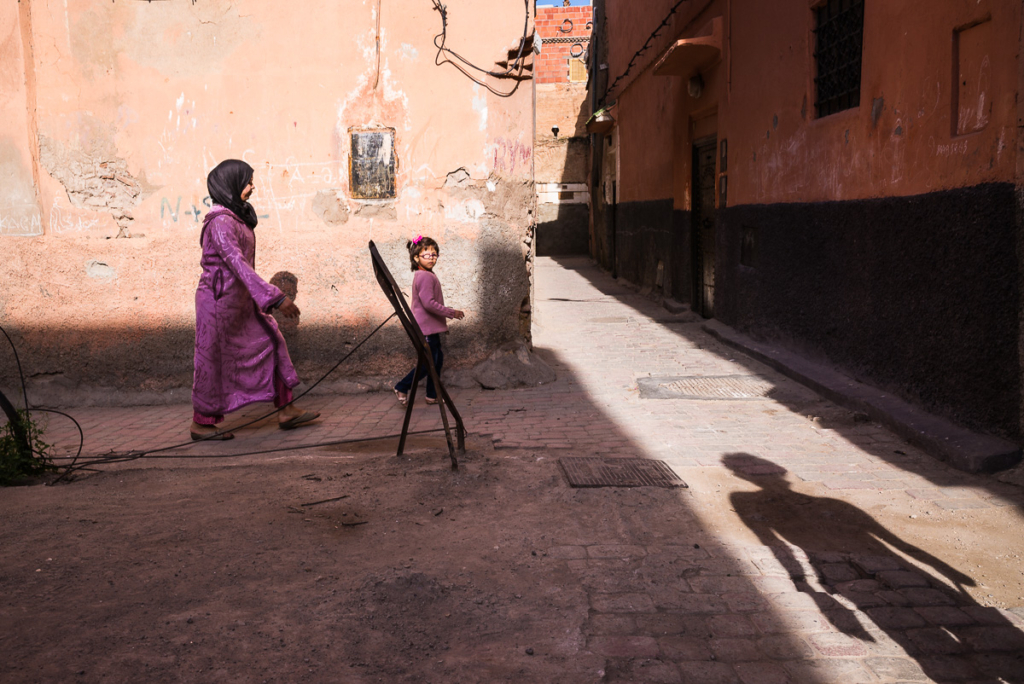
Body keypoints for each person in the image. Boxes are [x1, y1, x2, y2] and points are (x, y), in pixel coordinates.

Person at [190, 159, 320, 440]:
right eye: (248, 181)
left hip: (240, 302)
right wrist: (274, 297)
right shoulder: (221, 222)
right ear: (231, 185)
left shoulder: (235, 218)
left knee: (272, 340)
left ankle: (286, 409)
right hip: (217, 304)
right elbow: (237, 264)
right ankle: (201, 424)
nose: (252, 187)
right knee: (211, 361)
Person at [393, 235, 465, 406]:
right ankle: (402, 386)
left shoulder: (425, 274)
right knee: (428, 364)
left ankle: (432, 394)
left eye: (434, 254)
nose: (432, 258)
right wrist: (451, 312)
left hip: (430, 329)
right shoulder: (425, 276)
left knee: (437, 360)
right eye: (427, 254)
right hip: (425, 330)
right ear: (416, 257)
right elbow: (428, 303)